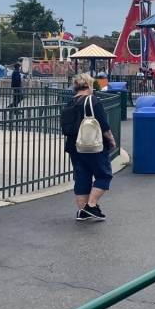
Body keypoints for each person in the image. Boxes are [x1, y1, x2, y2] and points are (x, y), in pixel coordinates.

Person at [65, 73, 116, 221]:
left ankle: (82, 211)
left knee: (82, 177)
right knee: (104, 174)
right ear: (88, 85)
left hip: (74, 146)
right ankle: (91, 206)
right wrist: (111, 139)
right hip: (93, 146)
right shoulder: (92, 101)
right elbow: (103, 124)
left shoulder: (71, 103)